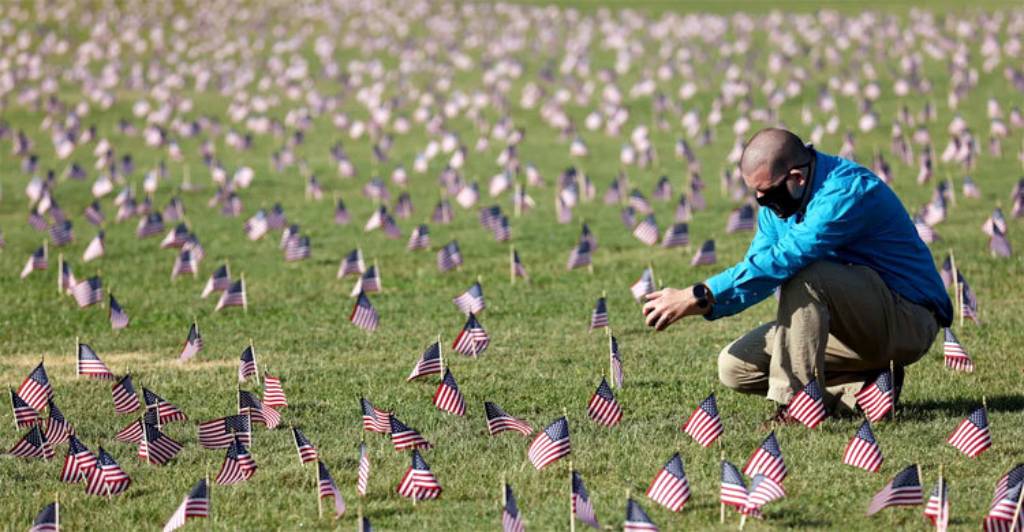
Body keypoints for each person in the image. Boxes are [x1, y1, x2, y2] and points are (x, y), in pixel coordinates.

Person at [641, 128, 952, 424]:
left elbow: (785, 259)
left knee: (807, 275)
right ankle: (864, 391)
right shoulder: (779, 205)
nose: (762, 201)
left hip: (906, 319)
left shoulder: (844, 191)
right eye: (756, 193)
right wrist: (705, 303)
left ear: (797, 178)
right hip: (852, 327)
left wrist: (700, 293)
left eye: (766, 192)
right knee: (734, 367)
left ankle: (796, 406)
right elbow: (758, 266)